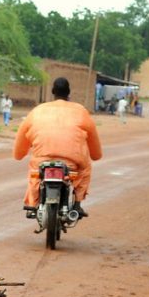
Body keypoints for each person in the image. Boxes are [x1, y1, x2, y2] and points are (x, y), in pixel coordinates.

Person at [13, 77, 102, 219]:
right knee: (85, 169)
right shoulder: (81, 111)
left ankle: (32, 202)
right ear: (69, 93)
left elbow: (20, 145)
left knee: (35, 172)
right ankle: (77, 204)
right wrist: (95, 155)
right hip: (71, 162)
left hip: (42, 160)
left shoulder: (37, 111)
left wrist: (19, 154)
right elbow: (96, 153)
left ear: (53, 91)